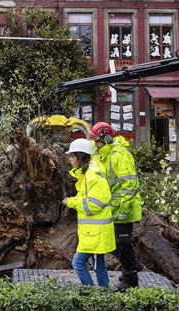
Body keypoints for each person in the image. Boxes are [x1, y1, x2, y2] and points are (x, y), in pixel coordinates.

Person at [91, 122, 143, 291]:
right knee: (112, 243)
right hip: (113, 208)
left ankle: (131, 280)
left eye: (97, 141)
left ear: (106, 138)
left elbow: (130, 185)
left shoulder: (120, 155)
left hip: (124, 209)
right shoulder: (104, 154)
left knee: (122, 243)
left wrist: (123, 210)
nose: (95, 144)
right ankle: (133, 264)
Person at [63, 138, 115, 288]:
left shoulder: (93, 176)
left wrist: (72, 203)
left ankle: (90, 294)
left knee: (78, 263)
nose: (70, 159)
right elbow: (86, 198)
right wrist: (72, 200)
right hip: (93, 233)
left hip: (95, 234)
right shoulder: (88, 174)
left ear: (80, 156)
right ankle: (104, 296)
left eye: (72, 156)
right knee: (99, 266)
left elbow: (94, 204)